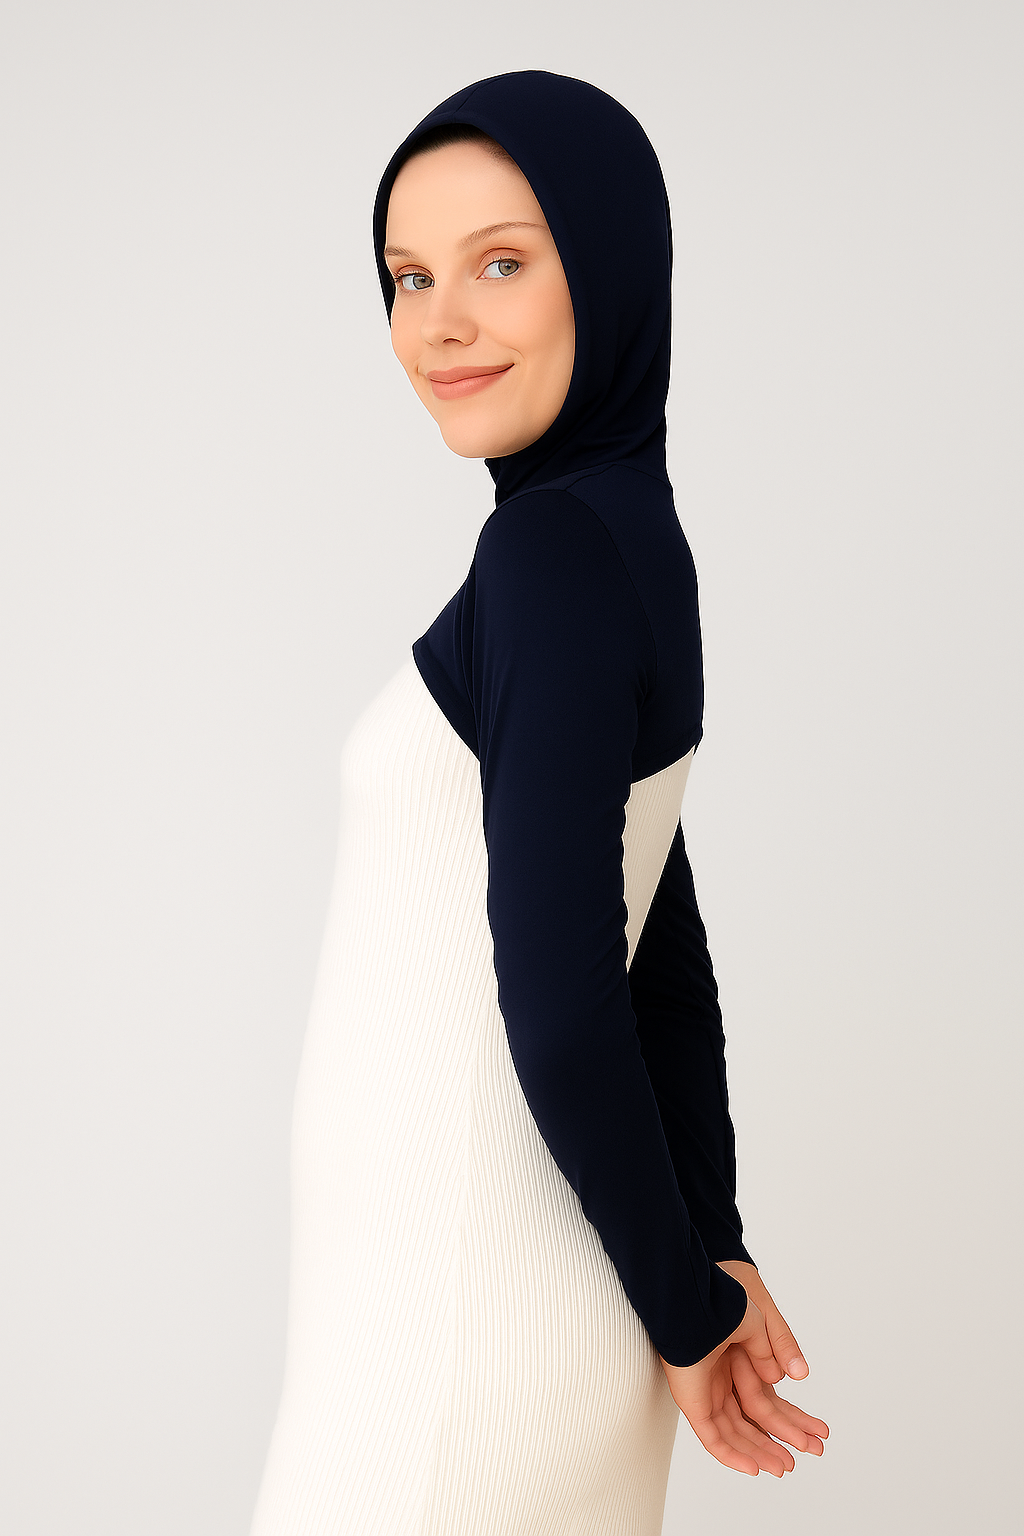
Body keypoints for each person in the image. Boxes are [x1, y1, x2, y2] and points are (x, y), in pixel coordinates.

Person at [249, 69, 828, 1536]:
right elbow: (661, 943)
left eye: (499, 263)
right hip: (486, 1313)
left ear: (610, 270)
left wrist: (689, 1296)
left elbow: (575, 1001)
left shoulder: (553, 558)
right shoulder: (621, 541)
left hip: (462, 1333)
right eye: (407, 277)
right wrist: (703, 1257)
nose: (438, 323)